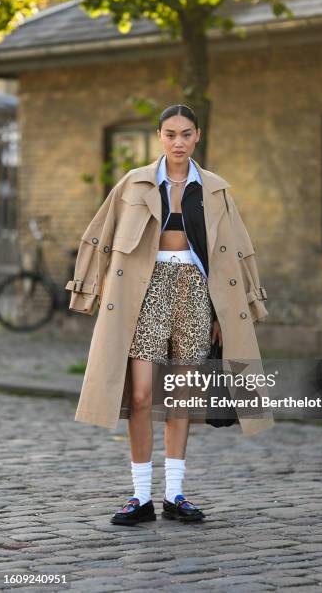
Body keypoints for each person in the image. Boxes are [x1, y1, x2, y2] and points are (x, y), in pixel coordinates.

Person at [111, 104, 219, 525]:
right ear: (158, 135)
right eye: (170, 133)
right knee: (139, 395)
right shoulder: (135, 183)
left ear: (198, 136)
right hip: (147, 290)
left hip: (195, 291)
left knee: (182, 396)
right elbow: (106, 238)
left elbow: (232, 256)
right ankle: (141, 497)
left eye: (186, 134)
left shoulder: (213, 189)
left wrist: (223, 313)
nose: (178, 141)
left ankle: (175, 494)